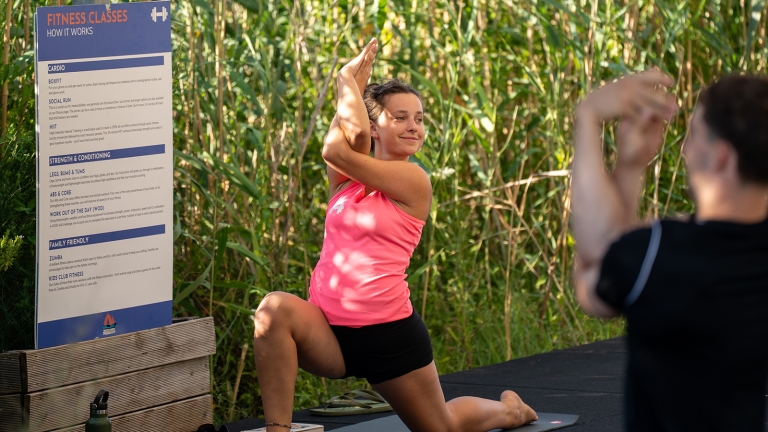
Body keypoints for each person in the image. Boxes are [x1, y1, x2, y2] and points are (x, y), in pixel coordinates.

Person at [252, 38, 538, 432]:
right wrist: (353, 86)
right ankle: (277, 431)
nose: (413, 126)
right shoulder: (348, 181)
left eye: (418, 118)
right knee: (273, 309)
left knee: (442, 428)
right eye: (400, 117)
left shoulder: (414, 180)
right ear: (375, 127)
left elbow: (336, 151)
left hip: (389, 337)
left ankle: (512, 411)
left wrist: (344, 78)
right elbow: (344, 139)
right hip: (329, 332)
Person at [571, 70, 768, 431]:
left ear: (721, 157)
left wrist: (589, 119)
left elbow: (593, 267)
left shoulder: (660, 254)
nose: (684, 150)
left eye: (694, 136)